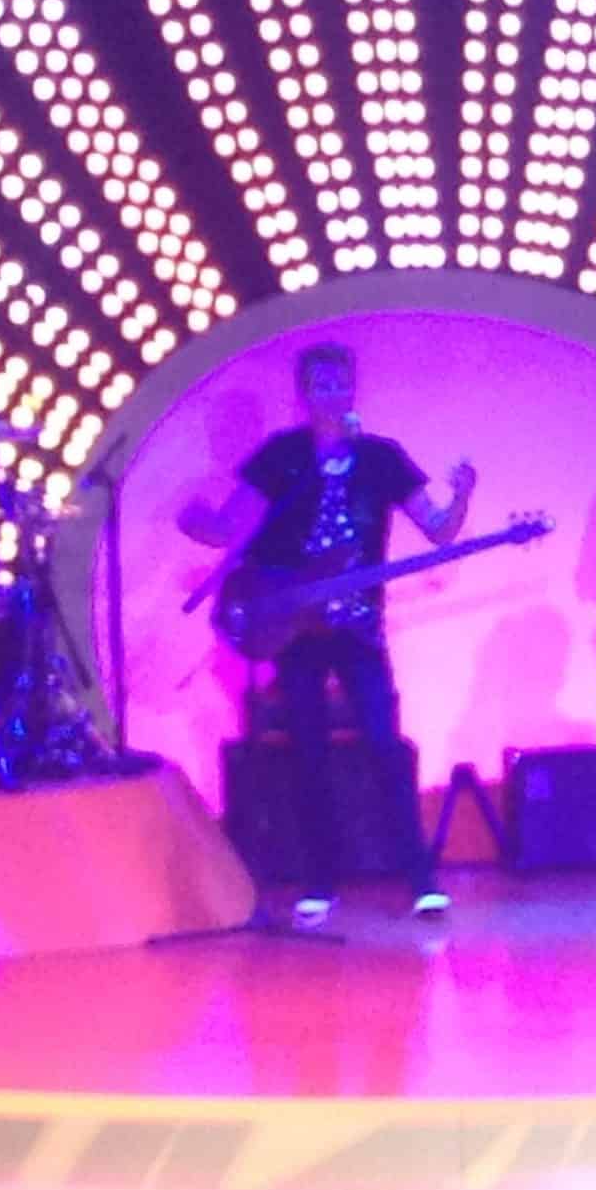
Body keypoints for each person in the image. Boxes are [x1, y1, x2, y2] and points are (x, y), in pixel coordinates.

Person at [179, 341, 472, 924]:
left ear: (353, 389)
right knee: (307, 752)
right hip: (295, 630)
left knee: (385, 748)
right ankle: (319, 881)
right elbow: (228, 528)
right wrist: (195, 521)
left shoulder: (381, 458)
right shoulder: (282, 457)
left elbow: (439, 531)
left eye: (341, 383)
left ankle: (419, 879)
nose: (332, 394)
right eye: (320, 385)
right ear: (303, 394)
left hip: (359, 629)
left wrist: (463, 493)